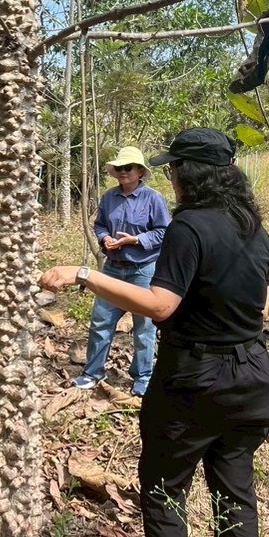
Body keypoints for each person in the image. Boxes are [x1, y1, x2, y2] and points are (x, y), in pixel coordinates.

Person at [40, 128, 269, 537]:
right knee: (235, 496)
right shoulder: (255, 229)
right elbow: (261, 305)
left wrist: (84, 275)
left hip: (195, 378)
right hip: (252, 377)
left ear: (190, 174)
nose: (169, 176)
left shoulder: (188, 227)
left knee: (165, 495)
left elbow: (160, 305)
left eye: (174, 168)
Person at [75, 146, 172, 396]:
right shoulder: (109, 197)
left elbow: (165, 232)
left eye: (128, 168)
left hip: (144, 270)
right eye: (119, 168)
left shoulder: (153, 199)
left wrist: (136, 240)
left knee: (144, 328)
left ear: (140, 171)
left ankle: (143, 377)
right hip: (113, 269)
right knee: (101, 321)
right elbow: (100, 225)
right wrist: (105, 238)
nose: (123, 172)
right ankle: (93, 372)